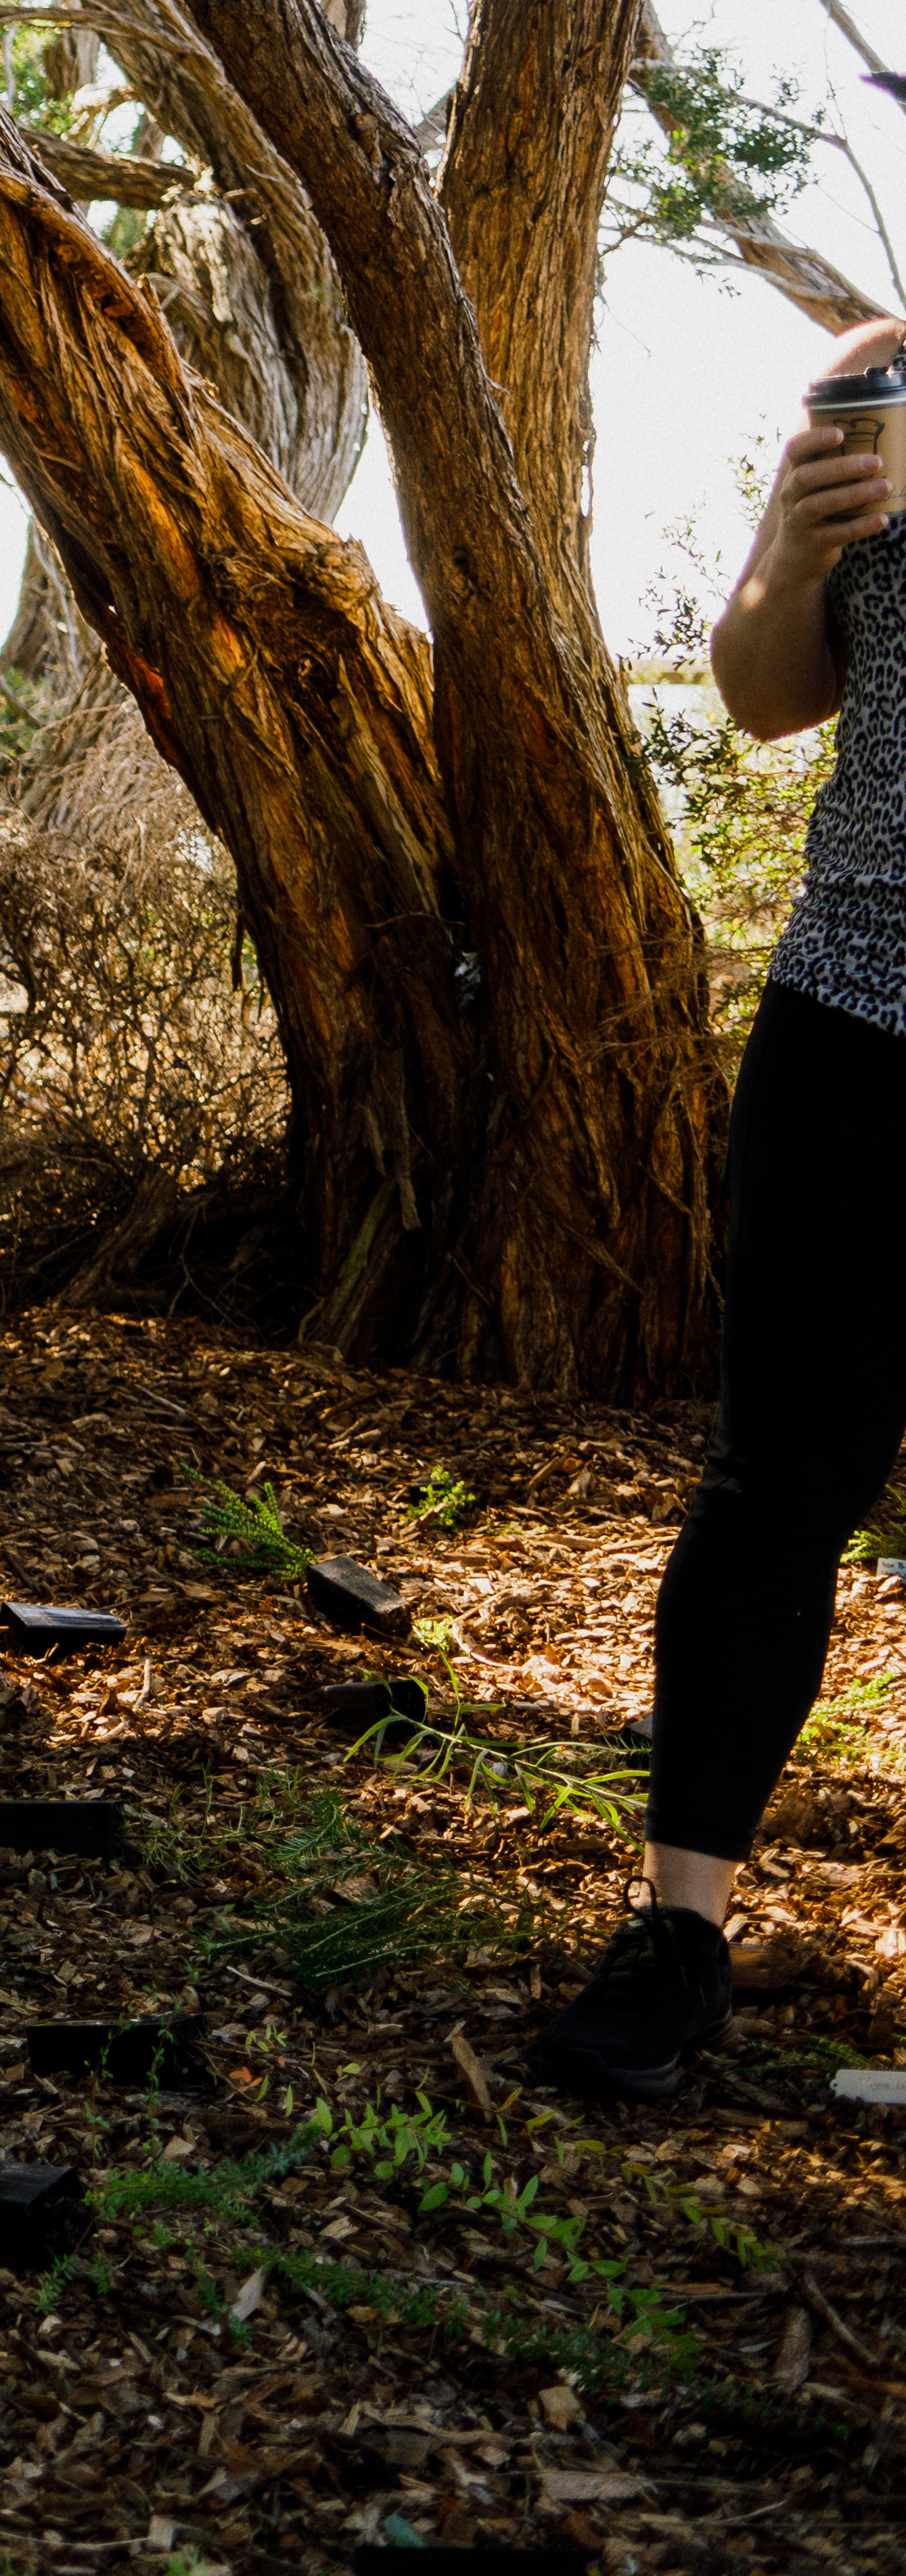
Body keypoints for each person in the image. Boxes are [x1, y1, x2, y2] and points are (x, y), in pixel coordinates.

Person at [530, 323, 906, 2100]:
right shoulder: (884, 375)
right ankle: (681, 1936)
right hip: (853, 1030)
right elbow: (765, 693)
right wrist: (797, 533)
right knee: (775, 1488)